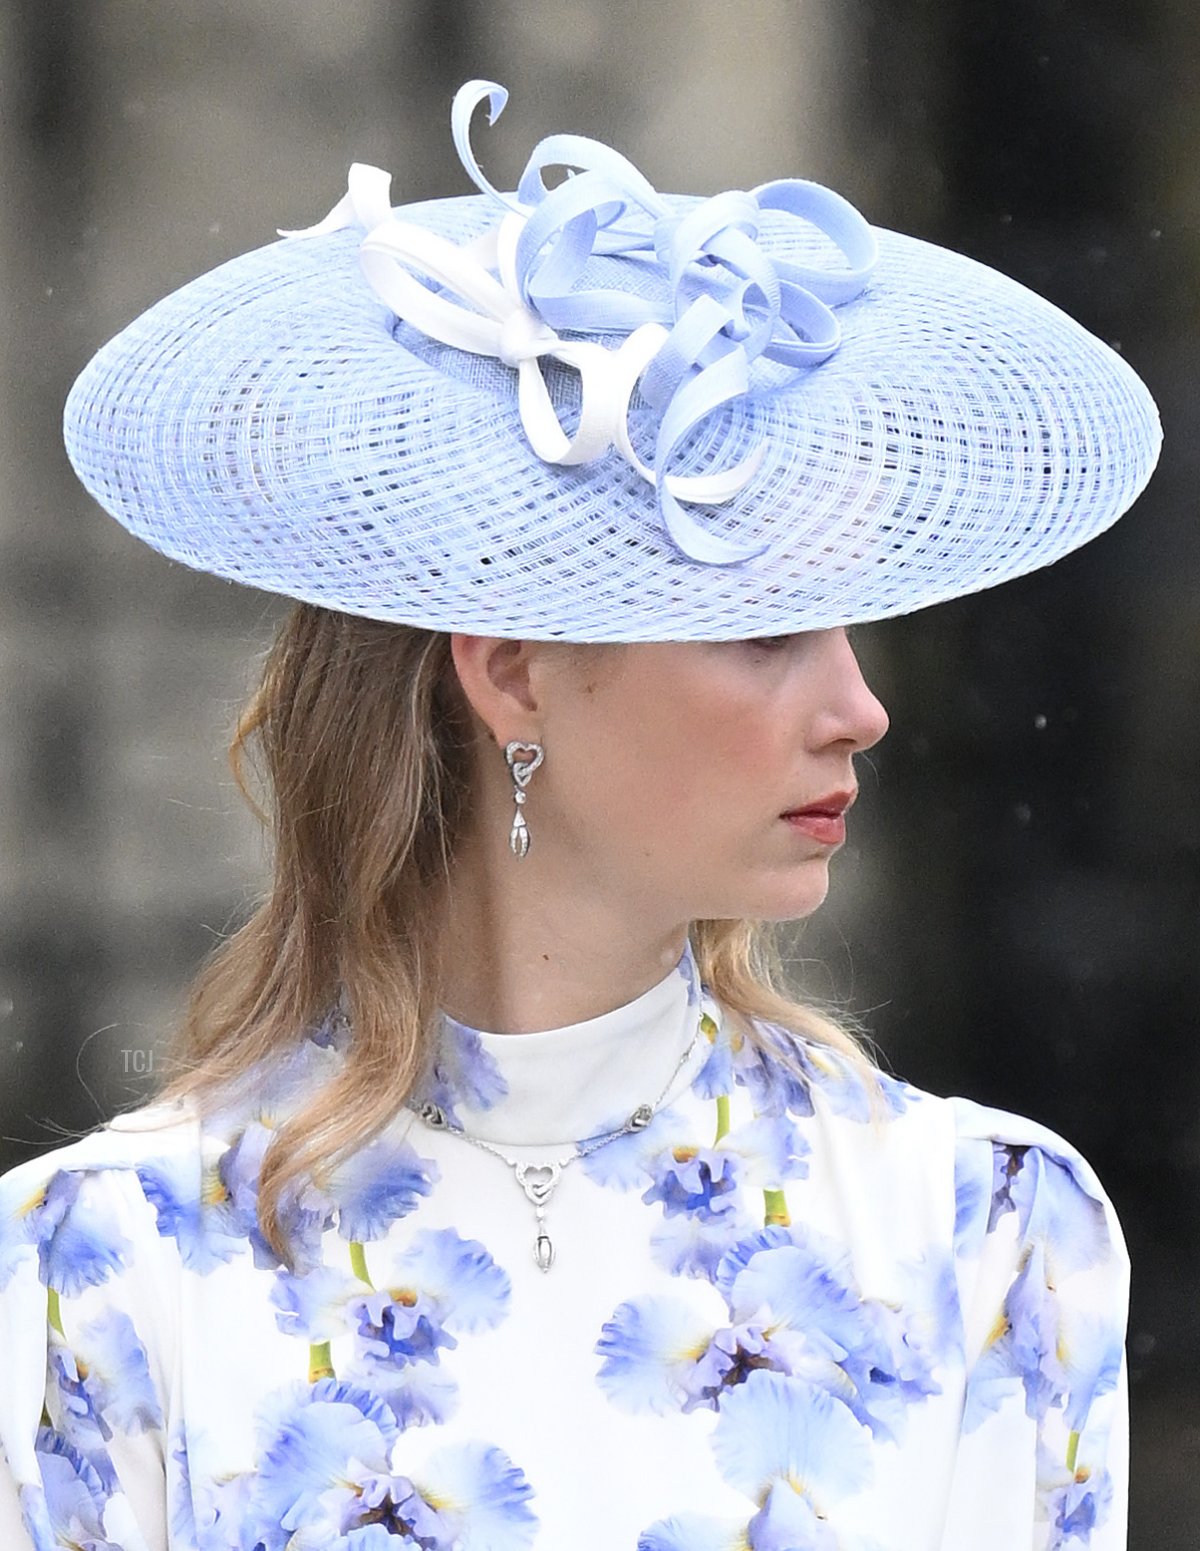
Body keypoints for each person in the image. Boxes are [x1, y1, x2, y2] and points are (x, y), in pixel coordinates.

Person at [0, 79, 1160, 1551]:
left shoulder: (981, 1232)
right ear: (514, 672)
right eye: (766, 628)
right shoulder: (102, 1268)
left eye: (848, 625)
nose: (860, 708)